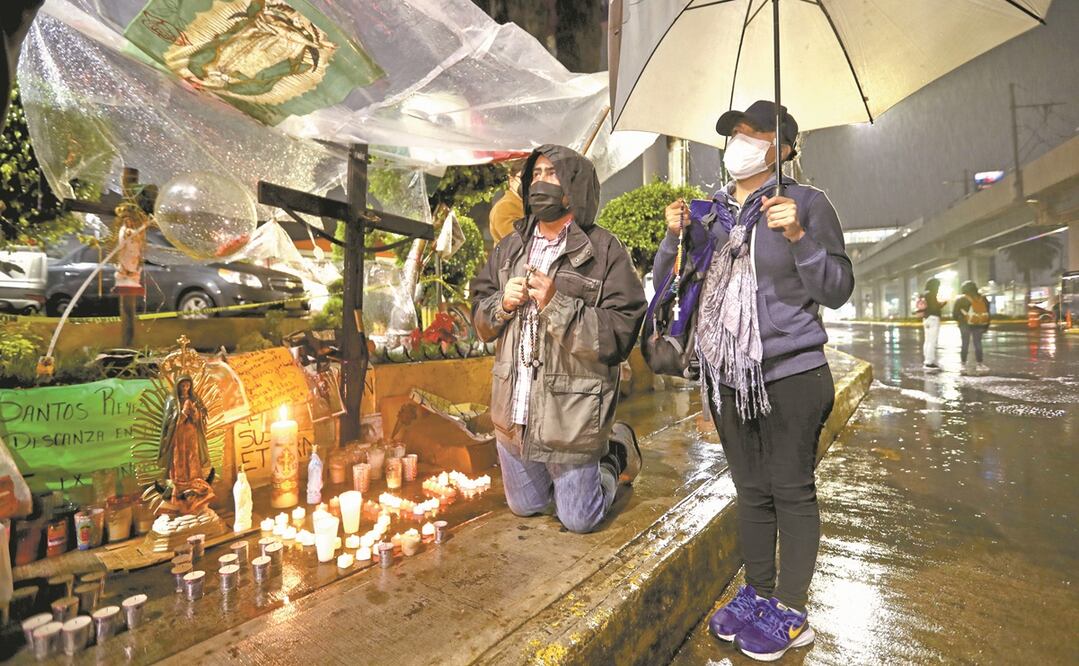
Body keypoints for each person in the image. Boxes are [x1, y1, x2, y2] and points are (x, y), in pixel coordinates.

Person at [656, 101, 853, 661]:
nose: (737, 143)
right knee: (751, 491)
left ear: (783, 148)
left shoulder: (808, 204)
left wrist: (798, 238)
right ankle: (758, 591)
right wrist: (675, 239)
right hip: (729, 377)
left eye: (752, 134)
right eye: (733, 134)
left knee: (791, 490)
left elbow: (837, 286)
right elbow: (672, 284)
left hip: (792, 373)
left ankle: (790, 610)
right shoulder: (713, 214)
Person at [470, 145, 646, 534]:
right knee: (527, 506)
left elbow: (621, 331)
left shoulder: (604, 251)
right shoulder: (508, 248)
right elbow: (480, 319)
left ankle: (614, 453)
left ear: (573, 187)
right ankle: (553, 477)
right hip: (514, 412)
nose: (539, 182)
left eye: (552, 174)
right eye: (535, 174)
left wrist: (556, 304)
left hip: (570, 417)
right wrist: (501, 303)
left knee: (579, 520)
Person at [953, 280, 990, 375]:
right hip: (978, 324)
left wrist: (960, 320)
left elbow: (955, 314)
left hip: (964, 324)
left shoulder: (961, 299)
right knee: (978, 343)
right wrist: (986, 325)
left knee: (964, 343)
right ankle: (980, 364)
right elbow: (987, 313)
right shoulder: (982, 298)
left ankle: (963, 364)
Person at [488, 160, 524, 243]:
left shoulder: (527, 204)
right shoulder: (505, 207)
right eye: (522, 177)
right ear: (511, 180)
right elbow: (518, 241)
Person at [918, 278, 947, 369]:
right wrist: (943, 304)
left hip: (926, 319)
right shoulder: (931, 294)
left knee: (927, 340)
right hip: (933, 318)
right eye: (938, 285)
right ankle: (929, 362)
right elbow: (934, 307)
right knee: (932, 341)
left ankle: (927, 360)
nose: (938, 287)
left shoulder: (925, 294)